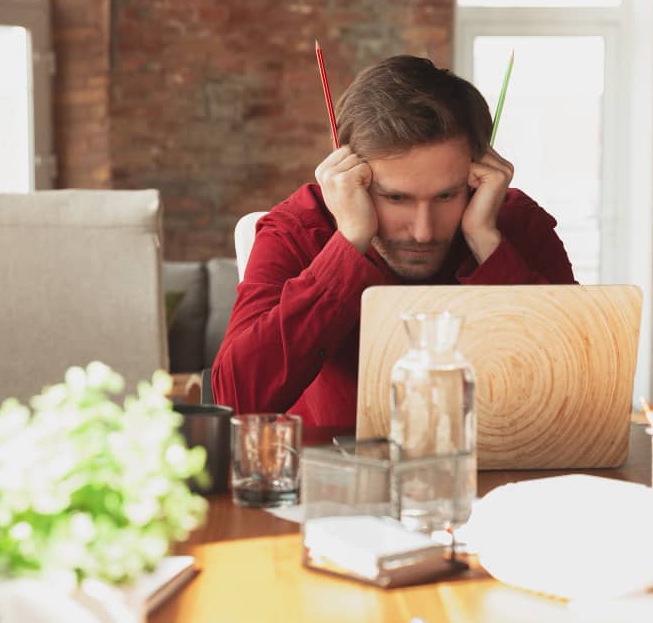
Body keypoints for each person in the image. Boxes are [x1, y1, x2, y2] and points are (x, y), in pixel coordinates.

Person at [212, 55, 575, 426]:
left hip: (500, 475)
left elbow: (579, 383)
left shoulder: (513, 222)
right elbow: (237, 399)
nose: (423, 231)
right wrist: (349, 241)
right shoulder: (298, 228)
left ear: (476, 172)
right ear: (352, 174)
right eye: (396, 198)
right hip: (338, 477)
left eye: (447, 196)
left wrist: (487, 241)